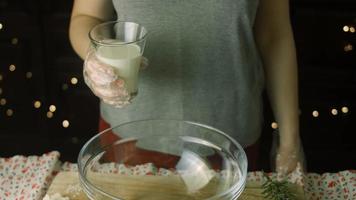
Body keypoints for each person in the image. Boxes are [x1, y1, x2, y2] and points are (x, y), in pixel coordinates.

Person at [69, 0, 303, 175]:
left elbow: (274, 34)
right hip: (130, 133)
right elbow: (86, 16)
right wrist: (96, 54)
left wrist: (290, 140)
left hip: (229, 135)